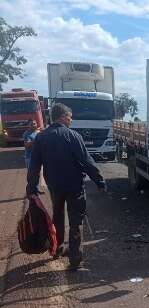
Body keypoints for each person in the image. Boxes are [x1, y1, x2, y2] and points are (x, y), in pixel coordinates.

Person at [26, 103, 106, 270]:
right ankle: (75, 260)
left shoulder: (41, 137)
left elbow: (34, 165)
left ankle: (57, 247)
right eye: (70, 117)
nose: (71, 120)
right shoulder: (73, 136)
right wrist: (99, 181)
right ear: (62, 117)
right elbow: (86, 161)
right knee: (76, 221)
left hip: (54, 185)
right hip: (74, 185)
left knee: (57, 215)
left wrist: (31, 187)